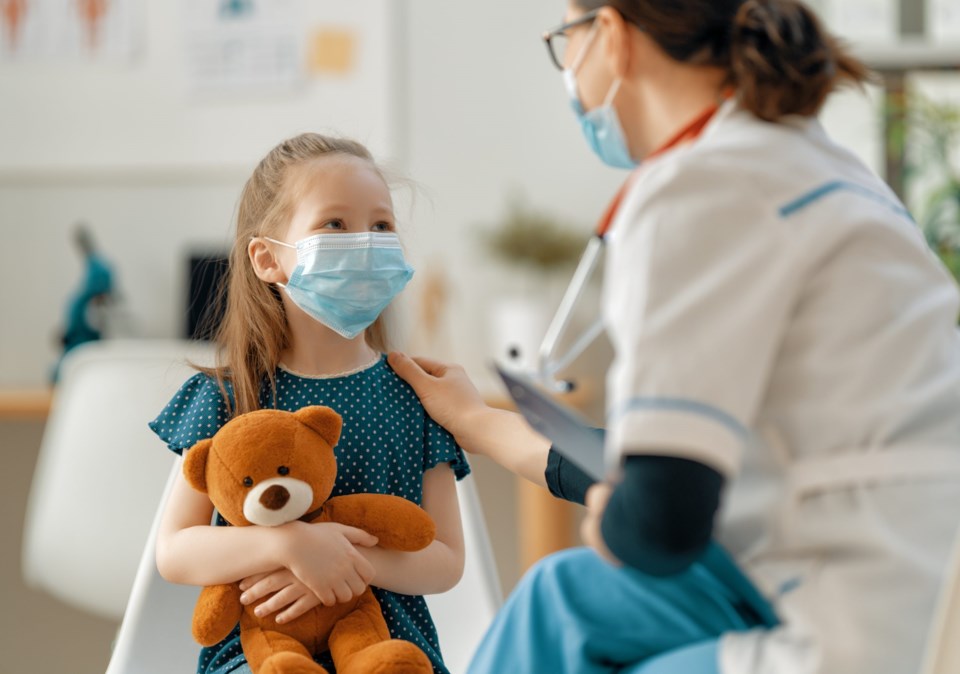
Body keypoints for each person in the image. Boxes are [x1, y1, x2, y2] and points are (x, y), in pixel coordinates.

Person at [387, 1, 960, 673]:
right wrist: (477, 421)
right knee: (563, 595)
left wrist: (614, 517)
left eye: (567, 38)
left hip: (849, 622)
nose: (568, 65)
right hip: (911, 565)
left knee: (575, 598)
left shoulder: (696, 186)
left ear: (612, 36)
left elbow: (658, 525)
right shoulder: (832, 170)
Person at [150, 133, 470, 674]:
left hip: (390, 650)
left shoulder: (416, 395)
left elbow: (445, 560)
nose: (365, 242)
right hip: (258, 654)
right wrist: (292, 545)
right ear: (268, 258)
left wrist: (344, 562)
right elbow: (176, 550)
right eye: (335, 225)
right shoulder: (229, 395)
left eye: (381, 225)